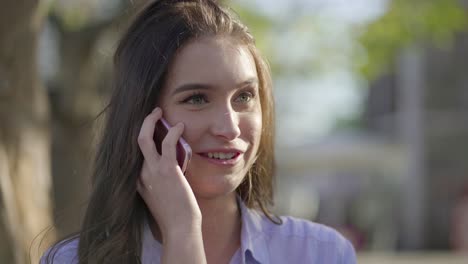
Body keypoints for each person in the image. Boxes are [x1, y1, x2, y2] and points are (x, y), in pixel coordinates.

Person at [41, 0, 356, 263]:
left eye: (244, 97)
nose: (229, 127)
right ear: (144, 119)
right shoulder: (70, 260)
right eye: (197, 99)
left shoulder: (322, 253)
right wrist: (182, 233)